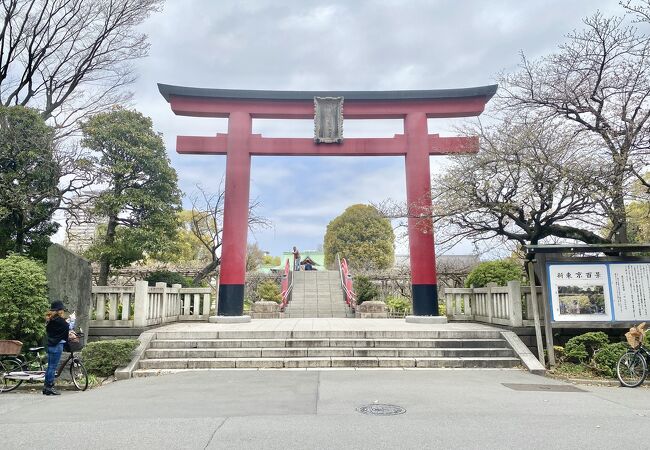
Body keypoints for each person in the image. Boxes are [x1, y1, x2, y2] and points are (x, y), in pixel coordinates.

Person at [44, 300, 68, 396]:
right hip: (57, 345)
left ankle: (46, 387)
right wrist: (70, 322)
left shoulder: (50, 319)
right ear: (59, 310)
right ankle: (49, 387)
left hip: (50, 345)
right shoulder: (60, 321)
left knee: (50, 366)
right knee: (52, 367)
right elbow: (66, 328)